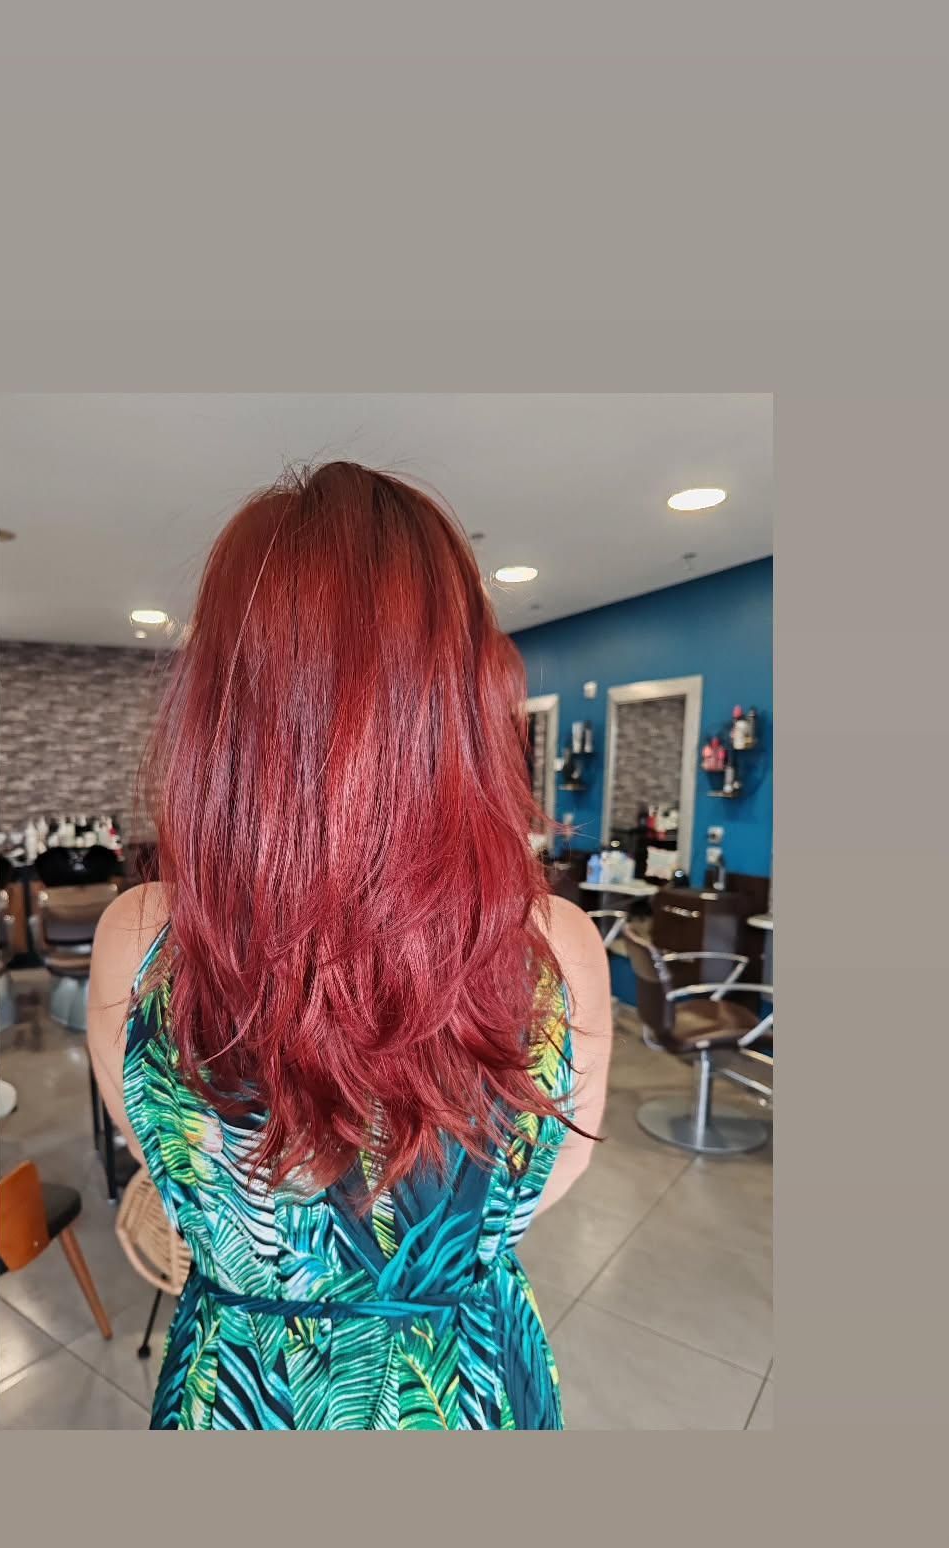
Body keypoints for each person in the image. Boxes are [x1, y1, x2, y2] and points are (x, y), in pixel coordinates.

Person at [87, 460, 611, 1430]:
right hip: (466, 1384)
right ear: (461, 693)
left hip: (240, 1392)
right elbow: (550, 1176)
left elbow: (173, 1172)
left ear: (222, 701)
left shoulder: (138, 940)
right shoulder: (560, 948)